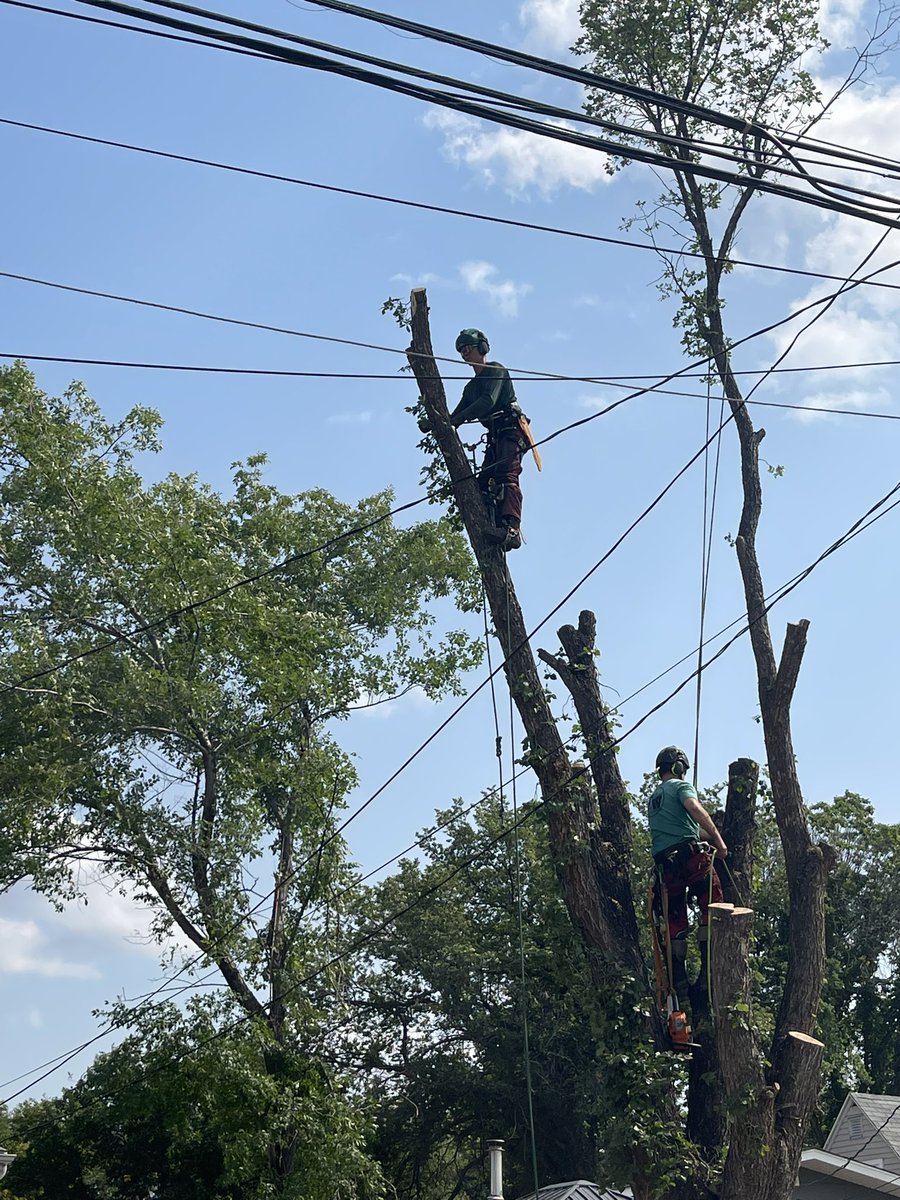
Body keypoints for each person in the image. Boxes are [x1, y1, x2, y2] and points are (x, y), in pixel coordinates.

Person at [648, 746, 727, 1001]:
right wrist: (719, 841)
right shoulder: (680, 787)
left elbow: (686, 829)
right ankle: (709, 970)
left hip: (666, 866)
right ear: (678, 767)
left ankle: (679, 980)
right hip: (690, 858)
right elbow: (693, 807)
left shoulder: (655, 798)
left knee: (675, 920)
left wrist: (709, 835)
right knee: (713, 905)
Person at [449, 328, 530, 552]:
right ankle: (492, 525)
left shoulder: (496, 370)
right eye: (461, 350)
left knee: (506, 474)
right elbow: (456, 414)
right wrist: (439, 423)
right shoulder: (470, 388)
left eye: (468, 348)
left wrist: (458, 419)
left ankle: (512, 530)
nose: (465, 353)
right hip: (495, 436)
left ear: (482, 348)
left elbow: (488, 401)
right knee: (482, 484)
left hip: (511, 431)